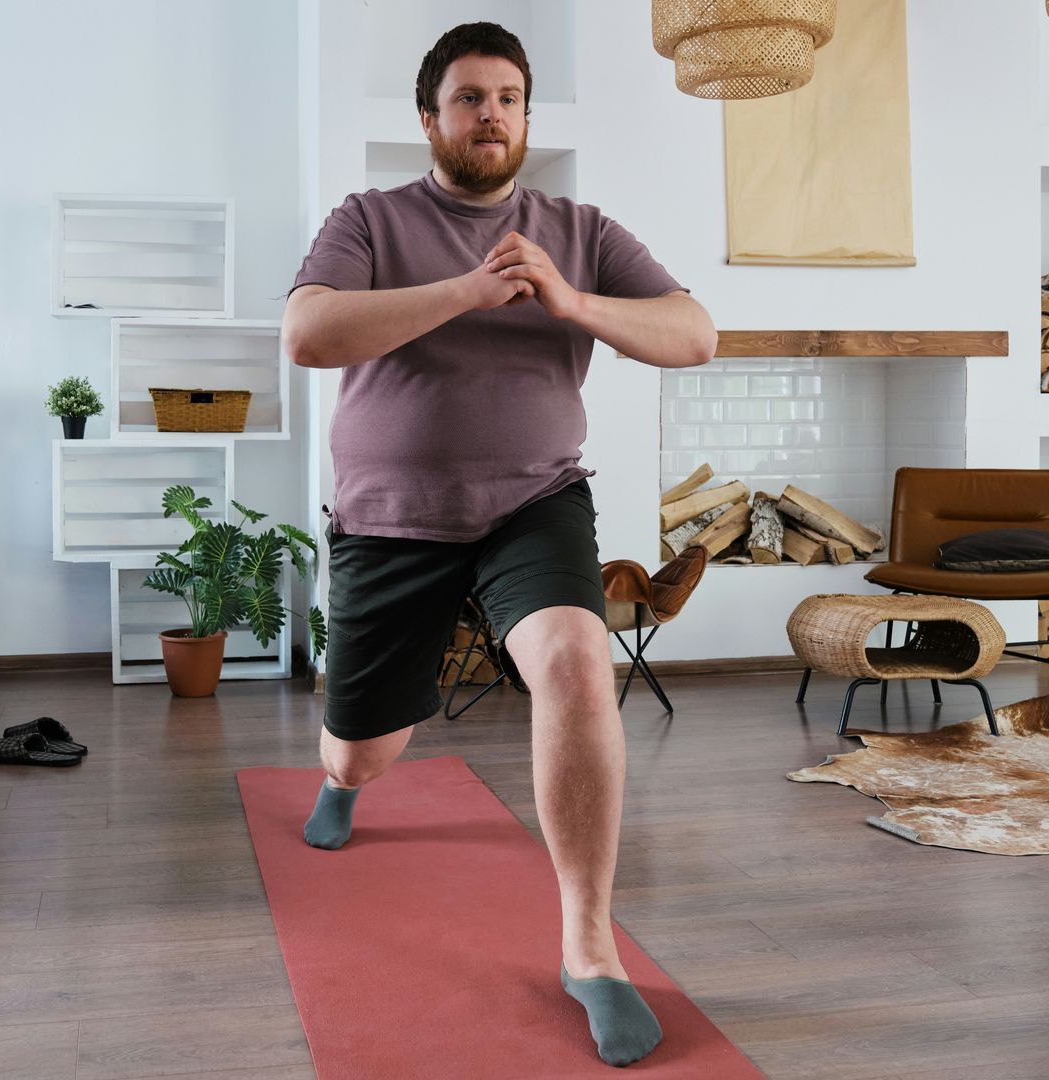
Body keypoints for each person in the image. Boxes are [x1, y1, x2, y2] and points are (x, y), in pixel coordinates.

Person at [281, 21, 716, 1069]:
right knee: (365, 748)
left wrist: (569, 300)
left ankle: (588, 946)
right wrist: (472, 292)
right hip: (391, 517)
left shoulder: (580, 228)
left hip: (533, 502)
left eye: (510, 97)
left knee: (575, 659)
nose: (492, 114)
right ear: (430, 119)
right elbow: (308, 334)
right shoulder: (371, 220)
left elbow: (695, 333)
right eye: (470, 98)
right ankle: (342, 780)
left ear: (526, 115)